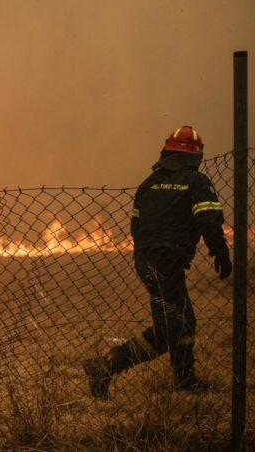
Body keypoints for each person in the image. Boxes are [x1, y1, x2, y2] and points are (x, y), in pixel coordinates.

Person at [83, 126, 232, 400]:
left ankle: (185, 381)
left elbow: (135, 227)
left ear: (167, 151)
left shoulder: (148, 184)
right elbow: (209, 221)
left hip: (147, 260)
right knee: (169, 330)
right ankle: (105, 366)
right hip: (167, 262)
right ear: (196, 156)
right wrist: (220, 253)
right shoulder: (197, 182)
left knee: (184, 321)